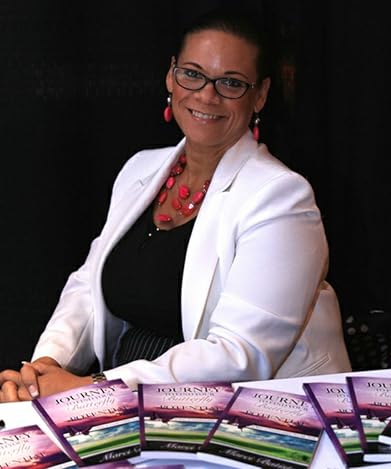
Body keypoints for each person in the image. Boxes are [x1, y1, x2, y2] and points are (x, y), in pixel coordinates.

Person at [0, 8, 351, 402]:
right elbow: (88, 287)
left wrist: (92, 387)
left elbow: (241, 354)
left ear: (260, 95)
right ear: (171, 75)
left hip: (256, 411)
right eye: (193, 74)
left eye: (231, 83)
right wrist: (45, 367)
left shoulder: (281, 197)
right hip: (131, 397)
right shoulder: (140, 169)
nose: (206, 95)